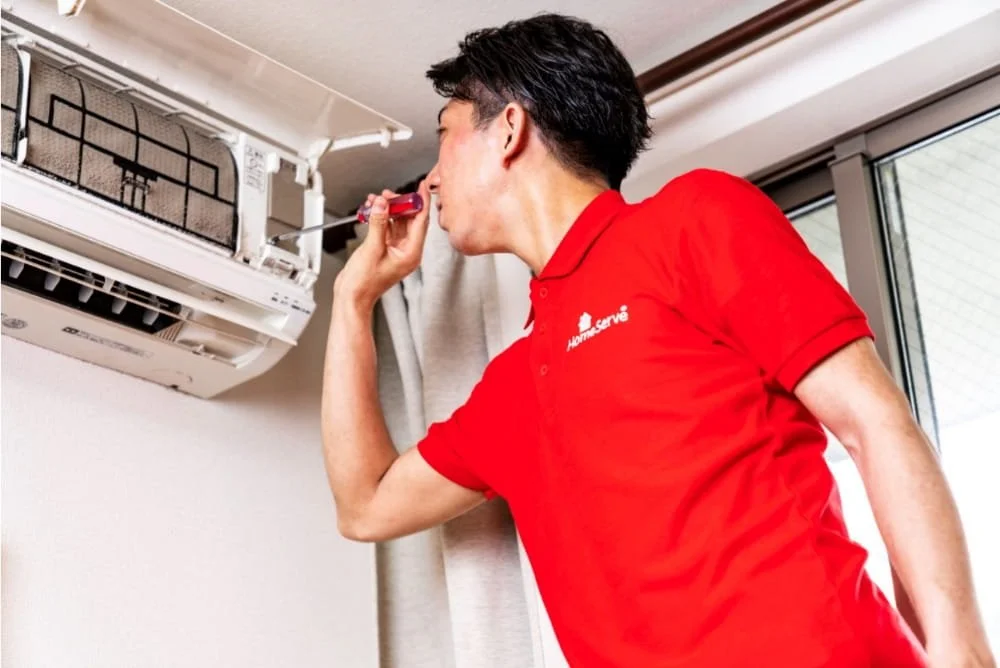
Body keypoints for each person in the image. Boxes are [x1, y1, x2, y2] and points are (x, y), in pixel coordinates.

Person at [320, 12, 994, 668]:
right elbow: (366, 503)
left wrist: (961, 653)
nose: (430, 179)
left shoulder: (693, 221)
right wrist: (353, 300)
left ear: (509, 130)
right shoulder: (515, 385)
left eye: (445, 134)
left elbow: (873, 422)